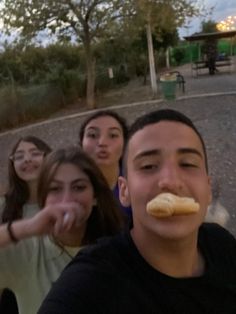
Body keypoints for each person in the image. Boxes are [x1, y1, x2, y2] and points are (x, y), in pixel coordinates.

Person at [38, 109, 236, 314]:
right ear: (124, 191)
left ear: (207, 187)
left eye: (187, 164)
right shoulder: (91, 283)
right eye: (148, 166)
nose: (169, 181)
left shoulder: (222, 243)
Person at [0, 147, 123, 314]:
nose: (67, 200)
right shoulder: (27, 251)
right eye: (55, 189)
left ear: (95, 196)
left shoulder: (120, 246)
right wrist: (27, 227)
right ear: (43, 199)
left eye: (79, 187)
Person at [0, 135, 51, 314]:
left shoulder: (64, 201)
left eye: (35, 153)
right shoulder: (3, 208)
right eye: (19, 156)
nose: (27, 159)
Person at [79, 109, 132, 223]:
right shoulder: (71, 188)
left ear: (125, 145)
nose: (102, 142)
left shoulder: (136, 183)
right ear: (81, 144)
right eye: (92, 135)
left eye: (113, 135)